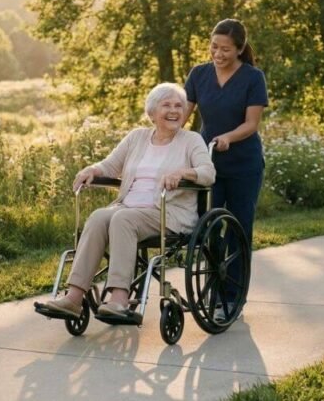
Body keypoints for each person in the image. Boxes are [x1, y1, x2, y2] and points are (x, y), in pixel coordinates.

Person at [39, 83, 216, 321]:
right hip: (129, 209)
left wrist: (182, 173)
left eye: (179, 106)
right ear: (152, 113)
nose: (174, 111)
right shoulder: (137, 137)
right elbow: (111, 165)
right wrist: (92, 169)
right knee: (99, 216)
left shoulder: (191, 140)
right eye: (167, 105)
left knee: (123, 218)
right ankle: (74, 297)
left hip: (168, 213)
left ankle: (120, 299)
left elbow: (208, 172)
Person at [183, 18, 268, 323]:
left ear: (240, 49)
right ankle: (211, 288)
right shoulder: (199, 74)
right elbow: (183, 113)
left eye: (226, 49)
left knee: (238, 228)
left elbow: (251, 124)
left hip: (243, 164)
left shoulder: (252, 78)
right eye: (214, 47)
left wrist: (227, 138)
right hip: (208, 164)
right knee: (206, 227)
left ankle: (233, 294)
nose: (218, 53)